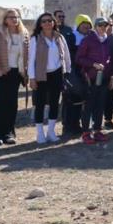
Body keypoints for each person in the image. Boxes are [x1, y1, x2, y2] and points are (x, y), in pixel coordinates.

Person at [27, 12, 71, 144]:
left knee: (54, 103)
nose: (47, 23)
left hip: (57, 73)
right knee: (40, 104)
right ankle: (40, 133)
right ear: (40, 24)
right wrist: (32, 78)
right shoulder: (35, 39)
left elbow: (67, 56)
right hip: (41, 74)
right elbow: (31, 60)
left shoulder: (59, 37)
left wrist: (67, 71)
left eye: (50, 21)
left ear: (54, 23)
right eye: (44, 21)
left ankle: (51, 132)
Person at [0, 8, 29, 146]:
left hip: (16, 73)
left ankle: (9, 134)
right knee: (0, 104)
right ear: (5, 19)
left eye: (17, 17)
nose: (14, 19)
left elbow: (27, 54)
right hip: (1, 72)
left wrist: (25, 72)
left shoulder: (24, 33)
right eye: (11, 17)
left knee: (12, 104)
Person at [76, 17, 113, 144]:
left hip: (104, 78)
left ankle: (97, 130)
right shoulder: (88, 40)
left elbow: (111, 60)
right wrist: (93, 64)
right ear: (95, 26)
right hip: (90, 78)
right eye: (100, 25)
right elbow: (79, 58)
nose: (103, 27)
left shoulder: (109, 41)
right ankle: (86, 132)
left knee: (100, 105)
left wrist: (111, 77)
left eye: (105, 25)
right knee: (89, 106)